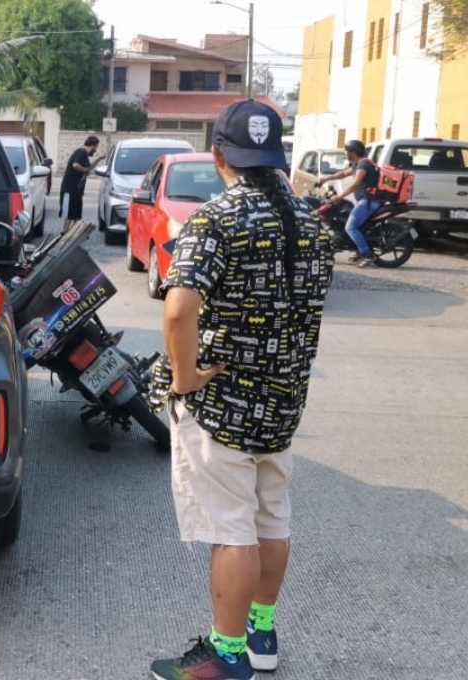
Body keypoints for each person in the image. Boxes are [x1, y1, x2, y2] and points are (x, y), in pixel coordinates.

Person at [147, 99, 335, 680]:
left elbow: (179, 311)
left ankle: (226, 659)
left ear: (219, 154)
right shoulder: (312, 224)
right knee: (270, 518)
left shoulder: (217, 218)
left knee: (231, 531)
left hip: (224, 404)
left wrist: (183, 378)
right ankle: (261, 630)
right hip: (283, 403)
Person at [317, 139, 379, 267]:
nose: (345, 153)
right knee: (355, 226)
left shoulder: (363, 166)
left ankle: (368, 255)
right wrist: (326, 178)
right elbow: (343, 173)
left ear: (353, 152)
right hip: (365, 201)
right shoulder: (357, 164)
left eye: (346, 151)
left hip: (368, 202)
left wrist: (340, 196)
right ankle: (359, 252)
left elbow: (355, 184)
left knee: (350, 227)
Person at [59, 135, 99, 220]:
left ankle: (74, 232)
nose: (96, 150)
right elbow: (75, 165)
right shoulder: (81, 152)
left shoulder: (85, 156)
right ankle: (65, 232)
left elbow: (89, 167)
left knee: (76, 216)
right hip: (70, 189)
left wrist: (99, 159)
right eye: (96, 147)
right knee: (68, 216)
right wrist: (85, 171)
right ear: (92, 145)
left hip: (77, 191)